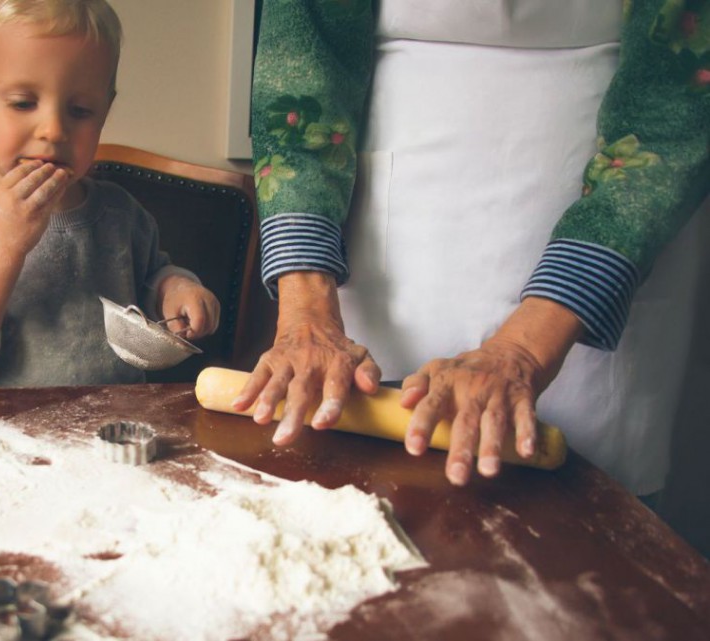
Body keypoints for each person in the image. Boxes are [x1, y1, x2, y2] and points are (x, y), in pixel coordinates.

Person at [236, 0, 710, 495]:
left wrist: (523, 349)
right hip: (390, 240)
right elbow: (301, 67)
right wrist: (306, 314)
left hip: (613, 232)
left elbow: (673, 111)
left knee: (576, 523)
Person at [0, 0, 220, 388]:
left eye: (80, 110)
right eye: (23, 103)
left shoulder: (120, 213)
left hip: (113, 434)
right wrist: (2, 245)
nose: (52, 129)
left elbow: (151, 281)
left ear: (105, 109)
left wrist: (176, 289)